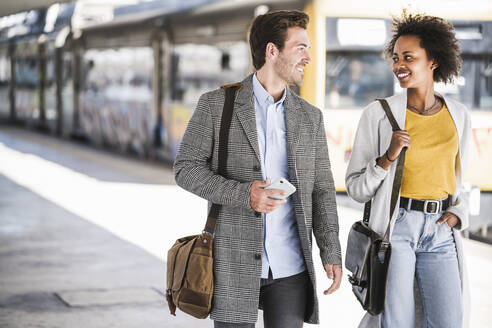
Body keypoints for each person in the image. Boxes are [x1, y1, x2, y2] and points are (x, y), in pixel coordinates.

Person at [174, 10, 342, 328]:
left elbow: (321, 188)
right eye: (300, 47)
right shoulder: (216, 105)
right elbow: (186, 168)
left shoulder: (310, 117)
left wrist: (330, 250)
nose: (308, 57)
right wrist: (244, 194)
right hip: (232, 265)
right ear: (271, 51)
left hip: (290, 267)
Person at [345, 11, 471, 328]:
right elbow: (356, 188)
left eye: (409, 57)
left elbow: (459, 180)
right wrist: (388, 157)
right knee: (396, 321)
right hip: (395, 229)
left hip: (441, 230)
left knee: (449, 321)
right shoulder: (379, 114)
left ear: (433, 61)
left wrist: (458, 214)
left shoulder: (458, 115)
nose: (399, 65)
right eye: (396, 57)